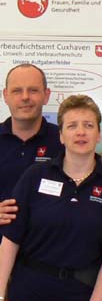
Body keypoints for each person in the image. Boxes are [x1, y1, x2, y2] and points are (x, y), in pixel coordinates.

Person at [0, 94, 102, 301]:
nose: (81, 132)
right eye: (72, 126)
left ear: (99, 134)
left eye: (89, 125)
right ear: (61, 136)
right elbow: (10, 241)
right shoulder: (35, 176)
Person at [0, 64, 62, 229]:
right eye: (17, 91)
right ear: (5, 96)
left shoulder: (64, 142)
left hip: (48, 243)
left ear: (46, 95)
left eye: (33, 90)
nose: (25, 97)